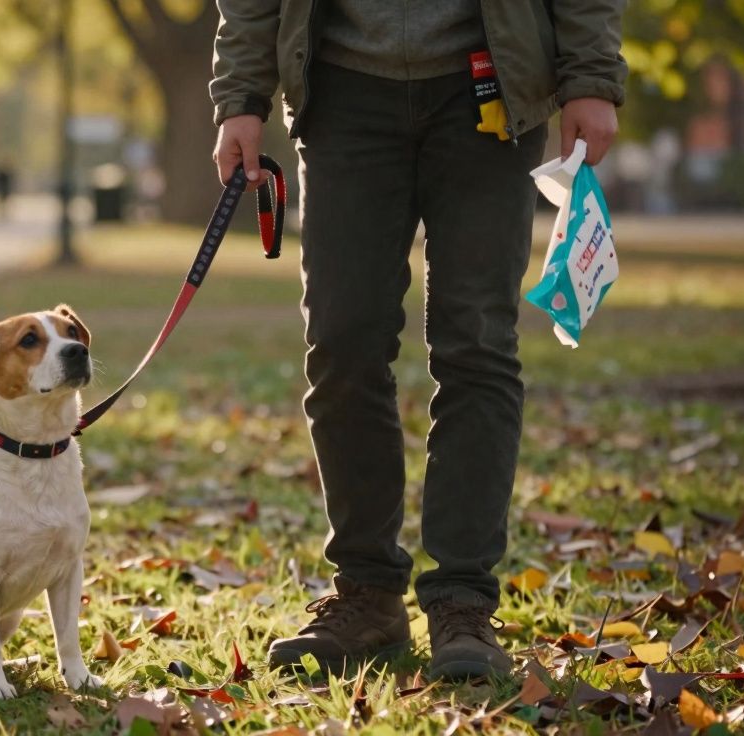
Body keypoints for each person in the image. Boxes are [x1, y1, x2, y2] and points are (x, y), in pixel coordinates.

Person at [211, 2, 625, 679]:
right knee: (342, 344)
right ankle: (367, 592)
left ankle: (463, 598)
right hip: (343, 89)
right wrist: (241, 94)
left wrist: (592, 75)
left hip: (490, 83)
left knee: (477, 347)